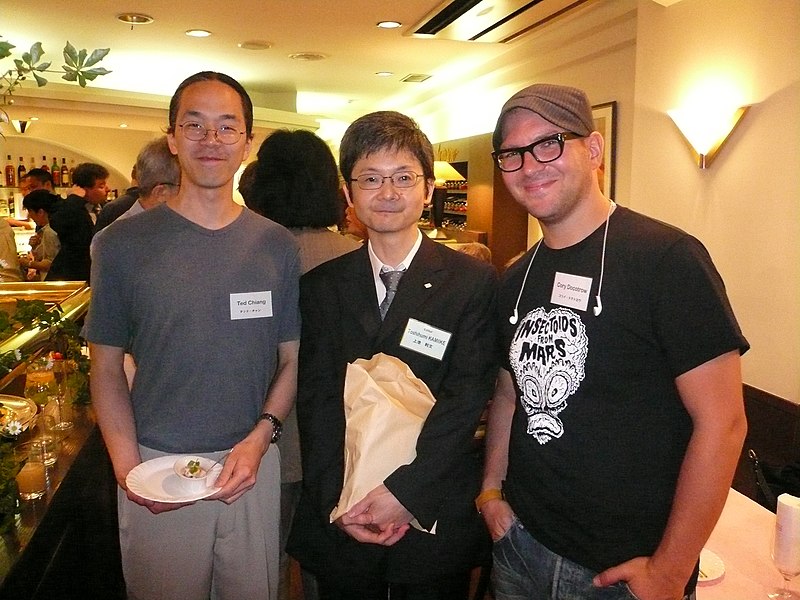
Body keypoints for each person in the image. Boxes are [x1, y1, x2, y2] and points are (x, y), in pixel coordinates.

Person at [479, 83, 749, 600]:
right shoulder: (515, 278)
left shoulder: (667, 259)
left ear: (594, 150)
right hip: (521, 547)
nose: (530, 165)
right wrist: (492, 492)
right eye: (512, 154)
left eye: (549, 143)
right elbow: (511, 392)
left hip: (625, 571)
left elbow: (725, 423)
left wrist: (670, 572)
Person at [84, 71, 301, 600]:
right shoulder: (122, 244)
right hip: (156, 463)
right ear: (173, 138)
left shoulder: (276, 245)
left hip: (249, 465)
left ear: (247, 142)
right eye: (195, 125)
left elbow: (290, 360)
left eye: (228, 127)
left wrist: (262, 436)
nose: (211, 139)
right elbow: (105, 366)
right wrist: (128, 468)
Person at [287, 110, 498, 599]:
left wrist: (405, 494)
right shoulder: (321, 288)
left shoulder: (471, 283)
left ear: (427, 189)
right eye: (372, 178)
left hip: (431, 511)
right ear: (349, 192)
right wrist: (339, 504)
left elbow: (466, 400)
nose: (388, 192)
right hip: (344, 512)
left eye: (404, 178)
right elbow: (315, 403)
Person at [244, 128, 361, 600]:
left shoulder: (254, 255)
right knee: (325, 557)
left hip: (264, 431)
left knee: (264, 557)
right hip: (339, 434)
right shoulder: (357, 255)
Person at [47, 162, 107, 281]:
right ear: (85, 190)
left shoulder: (105, 208)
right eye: (101, 186)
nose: (107, 189)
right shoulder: (70, 207)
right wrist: (75, 198)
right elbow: (57, 223)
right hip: (75, 276)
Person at [20, 190, 61, 280]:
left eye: (30, 211)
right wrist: (35, 246)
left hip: (52, 280)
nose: (29, 216)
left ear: (41, 212)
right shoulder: (45, 230)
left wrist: (27, 263)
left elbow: (50, 264)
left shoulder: (49, 231)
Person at [94, 164, 139, 234]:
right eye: (101, 186)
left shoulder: (112, 208)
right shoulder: (158, 204)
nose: (108, 188)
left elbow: (97, 242)